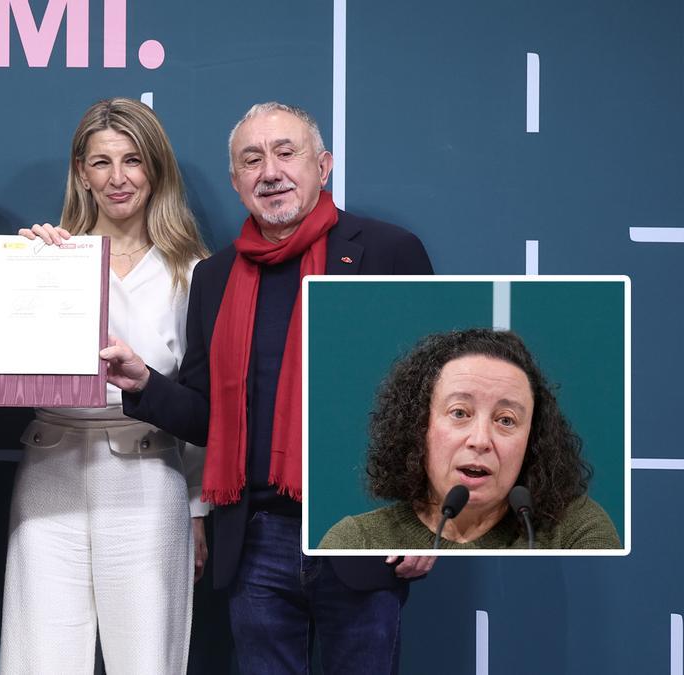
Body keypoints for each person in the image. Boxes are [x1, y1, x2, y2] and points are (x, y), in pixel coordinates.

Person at [100, 102, 435, 674]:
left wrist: (426, 516)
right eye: (251, 160)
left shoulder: (387, 252)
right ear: (236, 182)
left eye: (285, 153)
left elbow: (434, 396)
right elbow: (207, 414)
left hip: (362, 532)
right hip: (255, 541)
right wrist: (145, 384)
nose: (270, 172)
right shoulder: (215, 276)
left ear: (322, 166)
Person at [0, 98, 210, 675]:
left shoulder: (193, 270)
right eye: (101, 162)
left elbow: (200, 404)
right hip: (50, 469)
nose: (118, 178)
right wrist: (26, 267)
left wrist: (198, 509)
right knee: (39, 660)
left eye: (133, 160)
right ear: (81, 172)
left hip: (148, 476)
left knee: (146, 661)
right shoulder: (46, 255)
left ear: (155, 169)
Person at [319, 328, 621, 549]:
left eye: (506, 420)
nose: (480, 440)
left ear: (532, 440)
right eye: (460, 413)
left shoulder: (576, 530)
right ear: (419, 426)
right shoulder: (358, 541)